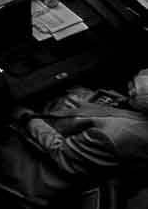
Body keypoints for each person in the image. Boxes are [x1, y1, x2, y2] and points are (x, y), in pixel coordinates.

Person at [12, 68, 148, 185]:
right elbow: (122, 109)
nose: (129, 90)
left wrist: (27, 117)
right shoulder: (138, 111)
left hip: (46, 171)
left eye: (133, 90)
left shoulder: (113, 135)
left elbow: (59, 151)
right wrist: (85, 106)